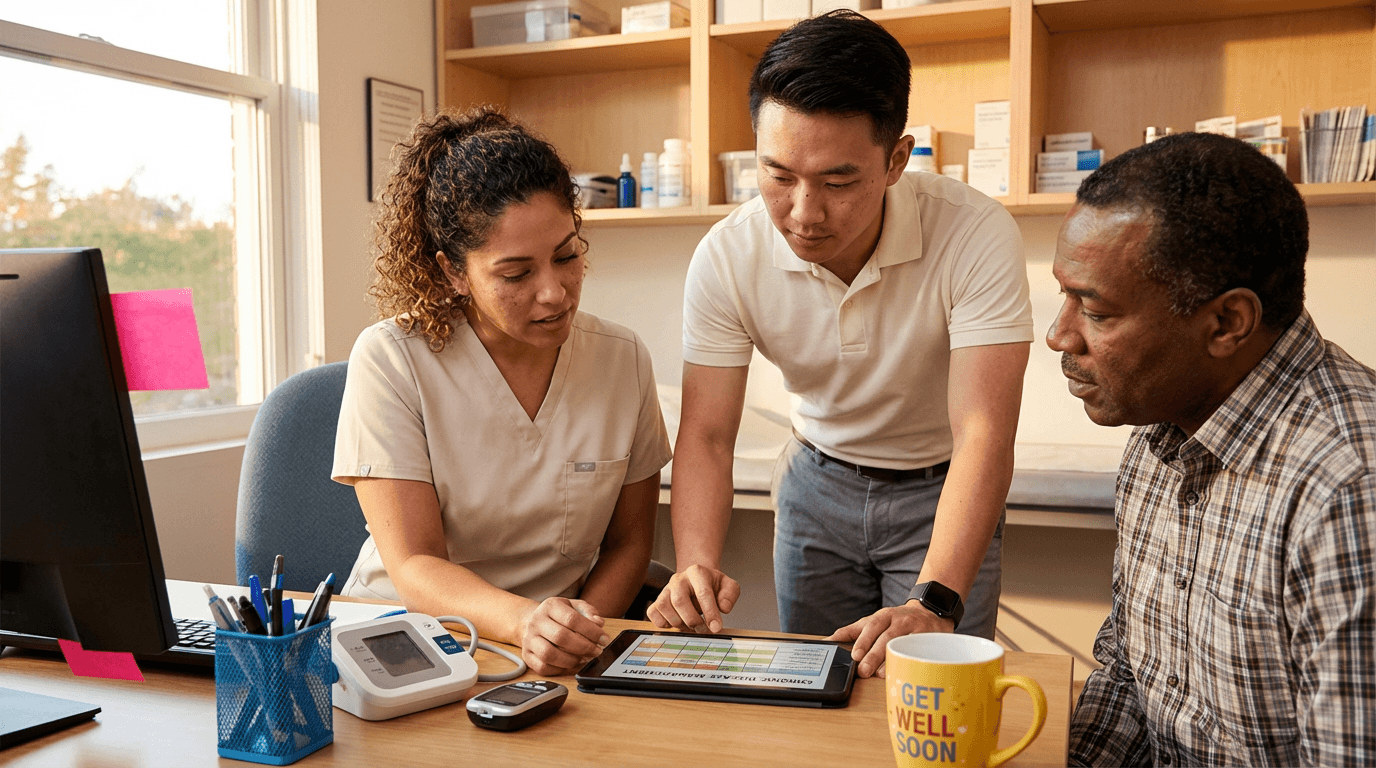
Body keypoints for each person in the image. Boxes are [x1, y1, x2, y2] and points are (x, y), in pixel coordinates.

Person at [649, 10, 1033, 679]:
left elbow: (983, 432)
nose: (803, 211)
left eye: (837, 181)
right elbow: (708, 433)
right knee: (818, 689)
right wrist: (695, 564)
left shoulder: (973, 234)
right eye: (778, 174)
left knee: (937, 692)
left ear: (895, 160)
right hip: (814, 486)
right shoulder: (728, 256)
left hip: (938, 489)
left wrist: (935, 599)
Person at [1050, 132, 1376, 766]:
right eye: (1065, 296)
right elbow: (1129, 678)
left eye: (1095, 310)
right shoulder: (1158, 430)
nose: (1060, 336)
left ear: (1227, 323)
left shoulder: (1349, 491)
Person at [331, 107, 673, 676]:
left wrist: (578, 631)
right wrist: (526, 622)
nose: (554, 293)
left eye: (567, 256)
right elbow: (414, 562)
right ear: (453, 272)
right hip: (406, 641)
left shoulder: (622, 358)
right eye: (516, 274)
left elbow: (628, 545)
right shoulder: (393, 359)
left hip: (554, 655)